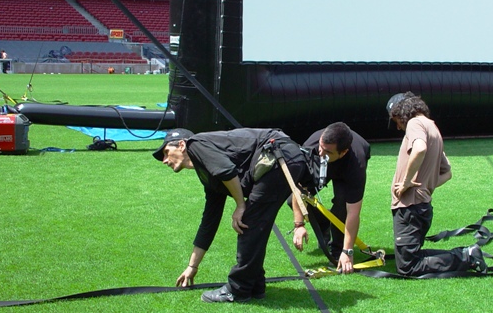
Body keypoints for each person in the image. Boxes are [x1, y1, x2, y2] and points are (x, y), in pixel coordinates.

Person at [153, 127, 311, 303]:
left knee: (249, 221)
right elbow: (209, 222)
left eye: (167, 152)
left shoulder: (195, 144)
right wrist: (192, 266)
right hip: (285, 157)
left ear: (181, 145)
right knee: (255, 224)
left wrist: (240, 205)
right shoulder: (208, 173)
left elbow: (227, 171)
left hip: (279, 156)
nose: (164, 160)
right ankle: (255, 286)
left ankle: (238, 289)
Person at [386, 92, 487, 276]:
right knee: (411, 257)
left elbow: (419, 149)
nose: (399, 127)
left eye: (396, 121)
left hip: (410, 208)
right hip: (421, 207)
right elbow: (447, 173)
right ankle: (466, 255)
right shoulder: (432, 127)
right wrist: (425, 186)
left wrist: (407, 182)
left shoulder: (415, 123)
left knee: (407, 267)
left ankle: (466, 257)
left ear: (401, 112)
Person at [295, 122, 370, 274]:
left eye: (327, 151)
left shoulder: (357, 164)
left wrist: (348, 251)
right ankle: (324, 226)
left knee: (341, 206)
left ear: (343, 152)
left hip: (345, 170)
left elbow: (353, 212)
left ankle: (338, 248)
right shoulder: (312, 145)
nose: (321, 152)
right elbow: (298, 188)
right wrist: (299, 224)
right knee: (296, 200)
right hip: (326, 165)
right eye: (321, 147)